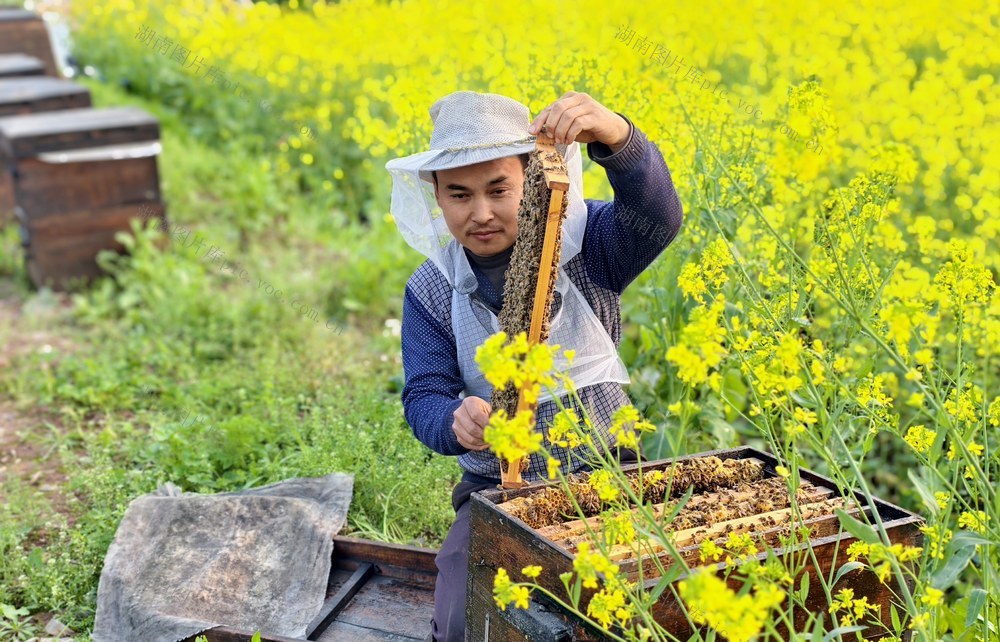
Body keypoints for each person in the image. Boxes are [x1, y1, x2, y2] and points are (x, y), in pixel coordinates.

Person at [385, 90, 684, 642]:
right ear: (436, 195)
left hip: (609, 474)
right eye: (459, 195)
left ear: (532, 181)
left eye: (499, 189)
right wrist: (454, 419)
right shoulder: (430, 288)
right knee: (465, 621)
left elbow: (658, 219)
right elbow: (424, 394)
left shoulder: (587, 245)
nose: (480, 213)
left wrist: (618, 137)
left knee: (640, 611)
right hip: (497, 491)